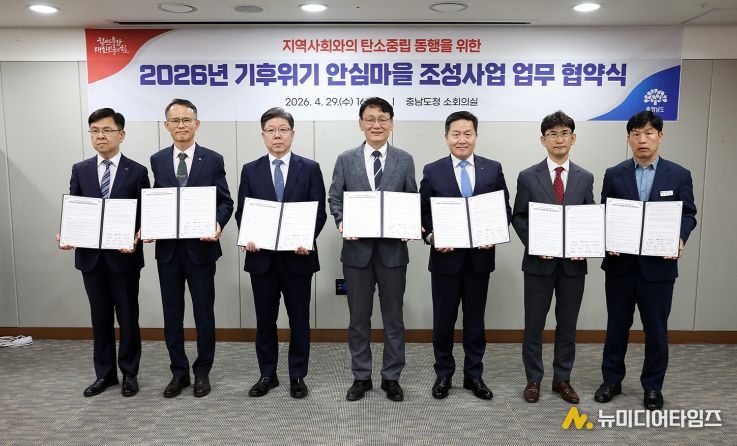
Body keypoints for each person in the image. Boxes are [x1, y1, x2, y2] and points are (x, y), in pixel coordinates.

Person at [594, 110, 697, 411]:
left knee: (656, 330)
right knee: (616, 327)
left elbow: (688, 213)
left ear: (660, 136)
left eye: (649, 133)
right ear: (629, 138)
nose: (642, 139)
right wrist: (607, 238)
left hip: (659, 267)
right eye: (636, 134)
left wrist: (680, 237)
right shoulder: (615, 174)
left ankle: (653, 387)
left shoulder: (678, 175)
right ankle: (611, 381)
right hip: (620, 266)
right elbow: (605, 212)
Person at [328, 97, 417, 402]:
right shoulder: (345, 159)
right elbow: (335, 197)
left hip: (393, 253)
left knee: (393, 318)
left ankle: (391, 377)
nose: (376, 125)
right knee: (358, 319)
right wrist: (342, 222)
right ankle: (361, 376)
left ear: (391, 123)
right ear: (361, 123)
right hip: (357, 252)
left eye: (382, 119)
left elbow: (411, 198)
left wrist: (410, 225)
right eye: (370, 119)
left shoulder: (404, 159)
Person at [234, 107, 327, 399]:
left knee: (299, 321)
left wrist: (306, 238)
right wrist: (248, 236)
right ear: (263, 135)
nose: (277, 135)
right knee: (265, 321)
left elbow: (319, 212)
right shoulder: (250, 169)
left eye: (283, 129)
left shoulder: (309, 168)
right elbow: (243, 211)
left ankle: (297, 375)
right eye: (271, 130)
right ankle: (267, 374)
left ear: (292, 134)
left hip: (298, 257)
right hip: (261, 259)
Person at [419, 110, 511, 400]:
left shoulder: (492, 169)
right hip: (445, 260)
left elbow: (504, 209)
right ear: (446, 137)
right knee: (443, 321)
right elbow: (422, 213)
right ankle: (443, 374)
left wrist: (493, 234)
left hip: (479, 260)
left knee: (475, 322)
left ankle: (474, 375)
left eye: (467, 134)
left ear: (476, 136)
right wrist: (432, 237)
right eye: (456, 134)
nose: (462, 139)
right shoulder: (433, 170)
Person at [58, 107, 149, 397]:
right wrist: (67, 233)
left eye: (107, 130)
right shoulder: (80, 169)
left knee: (128, 316)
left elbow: (145, 213)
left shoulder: (137, 171)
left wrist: (139, 233)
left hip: (124, 256)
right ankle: (105, 374)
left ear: (121, 135)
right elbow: (75, 207)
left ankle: (130, 373)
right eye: (95, 131)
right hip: (91, 257)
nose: (100, 136)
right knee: (99, 318)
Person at [148, 98, 233, 398]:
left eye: (187, 120)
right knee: (172, 314)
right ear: (166, 125)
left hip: (201, 250)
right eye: (175, 121)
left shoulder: (213, 159)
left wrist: (218, 224)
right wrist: (148, 224)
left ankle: (202, 372)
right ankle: (179, 372)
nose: (181, 125)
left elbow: (225, 201)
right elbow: (156, 200)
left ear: (197, 124)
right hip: (168, 251)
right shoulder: (158, 160)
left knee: (203, 313)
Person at [511, 111, 594, 404]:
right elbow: (519, 216)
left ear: (573, 138)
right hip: (539, 263)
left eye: (564, 133)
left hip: (573, 265)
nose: (559, 139)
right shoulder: (527, 176)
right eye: (552, 134)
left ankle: (562, 379)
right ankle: (533, 379)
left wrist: (587, 244)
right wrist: (536, 243)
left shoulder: (585, 177)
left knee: (567, 325)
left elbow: (589, 216)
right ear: (543, 140)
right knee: (534, 324)